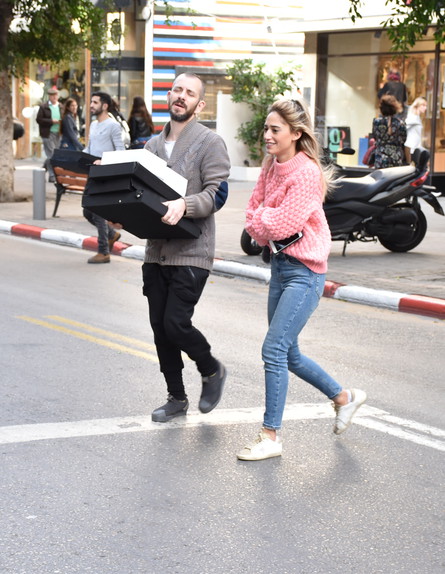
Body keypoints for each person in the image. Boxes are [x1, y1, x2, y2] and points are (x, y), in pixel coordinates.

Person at [236, 98, 367, 461]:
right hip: (280, 267)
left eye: (274, 129)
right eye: (266, 128)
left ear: (295, 134)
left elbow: (282, 224)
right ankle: (344, 398)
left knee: (273, 349)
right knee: (288, 352)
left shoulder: (306, 172)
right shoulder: (270, 166)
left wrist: (264, 220)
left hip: (305, 273)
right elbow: (252, 217)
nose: (267, 135)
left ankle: (270, 436)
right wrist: (264, 220)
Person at [141, 73, 230, 423]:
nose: (182, 96)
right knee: (160, 329)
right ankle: (176, 398)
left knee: (176, 324)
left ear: (200, 104)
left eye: (190, 93)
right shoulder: (150, 146)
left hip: (192, 252)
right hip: (155, 252)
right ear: (169, 95)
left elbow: (217, 193)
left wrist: (185, 204)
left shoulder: (210, 142)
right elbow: (141, 195)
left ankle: (211, 369)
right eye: (177, 90)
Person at [83, 91, 124, 264]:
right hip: (92, 173)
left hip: (105, 175)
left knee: (98, 213)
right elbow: (89, 148)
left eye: (95, 102)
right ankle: (111, 234)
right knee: (87, 211)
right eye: (91, 102)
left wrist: (104, 161)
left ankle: (103, 251)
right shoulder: (93, 125)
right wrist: (78, 157)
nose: (91, 105)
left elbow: (121, 151)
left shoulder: (113, 126)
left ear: (105, 106)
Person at [372, 94, 407, 169]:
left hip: (380, 158)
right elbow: (403, 139)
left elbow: (374, 137)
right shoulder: (400, 123)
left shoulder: (376, 122)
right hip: (396, 158)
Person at [36, 86, 62, 182]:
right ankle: (52, 175)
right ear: (49, 96)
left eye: (55, 95)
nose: (54, 97)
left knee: (54, 155)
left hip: (58, 133)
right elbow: (39, 119)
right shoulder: (44, 106)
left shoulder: (61, 106)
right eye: (52, 95)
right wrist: (51, 121)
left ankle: (43, 169)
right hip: (48, 133)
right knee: (51, 155)